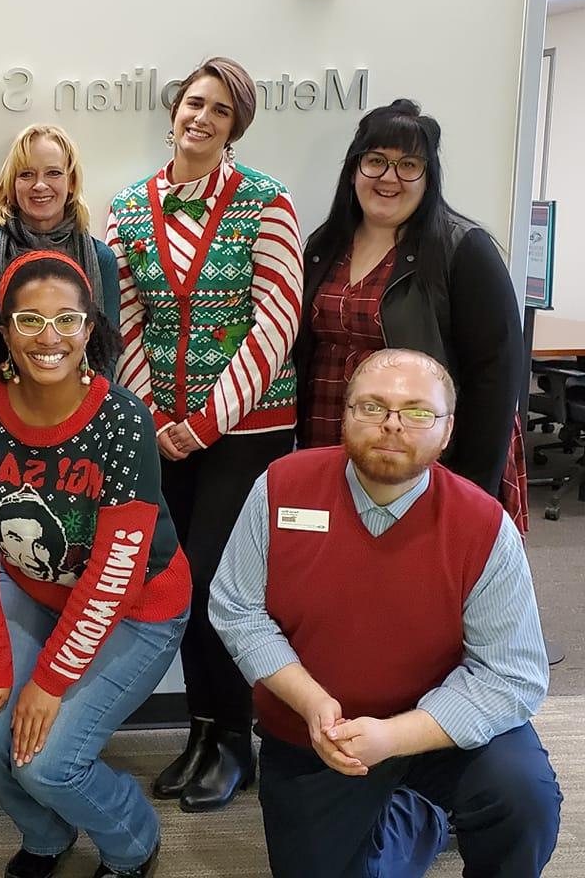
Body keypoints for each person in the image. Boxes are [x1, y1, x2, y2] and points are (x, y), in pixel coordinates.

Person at [210, 349, 560, 878]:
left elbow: (512, 674)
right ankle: (423, 818)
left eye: (418, 412)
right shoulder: (280, 488)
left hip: (438, 731)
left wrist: (395, 737)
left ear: (446, 432)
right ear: (342, 416)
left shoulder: (483, 525)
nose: (392, 426)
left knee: (523, 799)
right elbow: (236, 608)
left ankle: (432, 807)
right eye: (371, 406)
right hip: (321, 736)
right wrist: (312, 703)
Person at [0, 250, 190, 878]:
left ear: (90, 329)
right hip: (33, 587)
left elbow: (113, 577)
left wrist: (47, 683)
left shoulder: (123, 420)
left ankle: (134, 842)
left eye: (66, 320)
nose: (47, 337)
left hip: (137, 607)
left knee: (47, 761)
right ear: (2, 332)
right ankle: (47, 836)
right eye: (28, 320)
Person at [105, 55, 303, 811]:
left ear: (234, 127)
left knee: (223, 577)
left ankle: (235, 739)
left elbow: (278, 320)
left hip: (246, 426)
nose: (202, 118)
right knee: (177, 578)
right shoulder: (130, 206)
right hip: (160, 426)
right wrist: (155, 417)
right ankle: (199, 727)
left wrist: (207, 421)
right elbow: (120, 317)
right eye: (195, 103)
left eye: (219, 110)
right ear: (173, 110)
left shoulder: (267, 202)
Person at [294, 99, 528, 531]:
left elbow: (496, 377)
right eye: (376, 161)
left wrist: (470, 487)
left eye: (408, 165)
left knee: (416, 577)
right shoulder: (324, 246)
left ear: (428, 177)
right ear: (354, 169)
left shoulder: (463, 250)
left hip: (422, 457)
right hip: (328, 440)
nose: (389, 177)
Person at [0, 124, 119, 373]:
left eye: (53, 173)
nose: (40, 185)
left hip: (83, 402)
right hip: (0, 400)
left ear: (72, 182)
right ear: (12, 184)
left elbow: (106, 355)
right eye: (26, 174)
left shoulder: (101, 259)